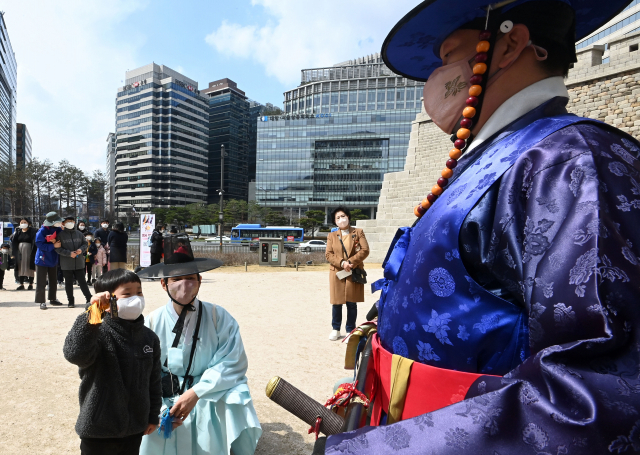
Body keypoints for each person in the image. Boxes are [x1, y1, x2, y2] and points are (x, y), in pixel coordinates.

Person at [313, 1, 640, 453]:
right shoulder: (489, 160)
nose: (435, 77)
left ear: (510, 44)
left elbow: (595, 394)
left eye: (448, 56)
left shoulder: (570, 163)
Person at [137, 234, 261, 455]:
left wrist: (196, 392)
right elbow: (143, 369)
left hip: (208, 389)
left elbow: (233, 361)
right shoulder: (152, 321)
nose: (184, 284)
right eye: (175, 279)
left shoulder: (218, 317)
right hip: (165, 391)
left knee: (237, 398)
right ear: (163, 283)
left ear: (200, 281)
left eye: (190, 278)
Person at [63, 269, 162, 455]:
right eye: (127, 293)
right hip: (98, 429)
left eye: (139, 292)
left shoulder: (149, 338)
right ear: (109, 301)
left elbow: (154, 380)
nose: (136, 298)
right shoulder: (97, 332)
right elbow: (75, 354)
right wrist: (93, 312)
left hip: (134, 429)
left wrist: (152, 415)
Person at [325, 207, 370, 341]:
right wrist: (342, 263)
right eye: (337, 218)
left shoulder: (358, 232)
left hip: (353, 270)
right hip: (338, 272)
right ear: (334, 221)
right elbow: (328, 254)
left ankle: (350, 330)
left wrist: (350, 262)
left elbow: (365, 250)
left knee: (351, 302)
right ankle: (336, 328)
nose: (341, 219)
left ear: (348, 217)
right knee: (337, 302)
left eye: (343, 216)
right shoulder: (331, 236)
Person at [56, 216, 93, 308]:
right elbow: (57, 248)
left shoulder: (79, 234)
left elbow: (85, 244)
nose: (70, 223)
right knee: (68, 283)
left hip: (79, 262)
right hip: (66, 263)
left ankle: (89, 298)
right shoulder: (60, 235)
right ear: (63, 223)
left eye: (72, 221)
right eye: (68, 221)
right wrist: (69, 253)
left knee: (82, 282)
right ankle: (71, 301)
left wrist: (81, 249)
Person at [35, 212, 64, 310]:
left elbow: (62, 239)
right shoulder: (42, 231)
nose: (59, 223)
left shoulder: (58, 229)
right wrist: (53, 245)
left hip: (53, 258)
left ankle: (53, 298)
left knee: (53, 280)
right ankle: (41, 301)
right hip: (42, 258)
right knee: (41, 281)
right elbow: (40, 244)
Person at [11, 217, 36, 290]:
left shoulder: (32, 231)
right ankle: (21, 284)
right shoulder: (18, 231)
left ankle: (30, 284)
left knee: (30, 266)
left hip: (29, 250)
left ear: (28, 223)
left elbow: (34, 241)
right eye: (22, 223)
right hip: (19, 251)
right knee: (20, 267)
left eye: (25, 222)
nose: (23, 224)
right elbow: (14, 242)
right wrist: (14, 253)